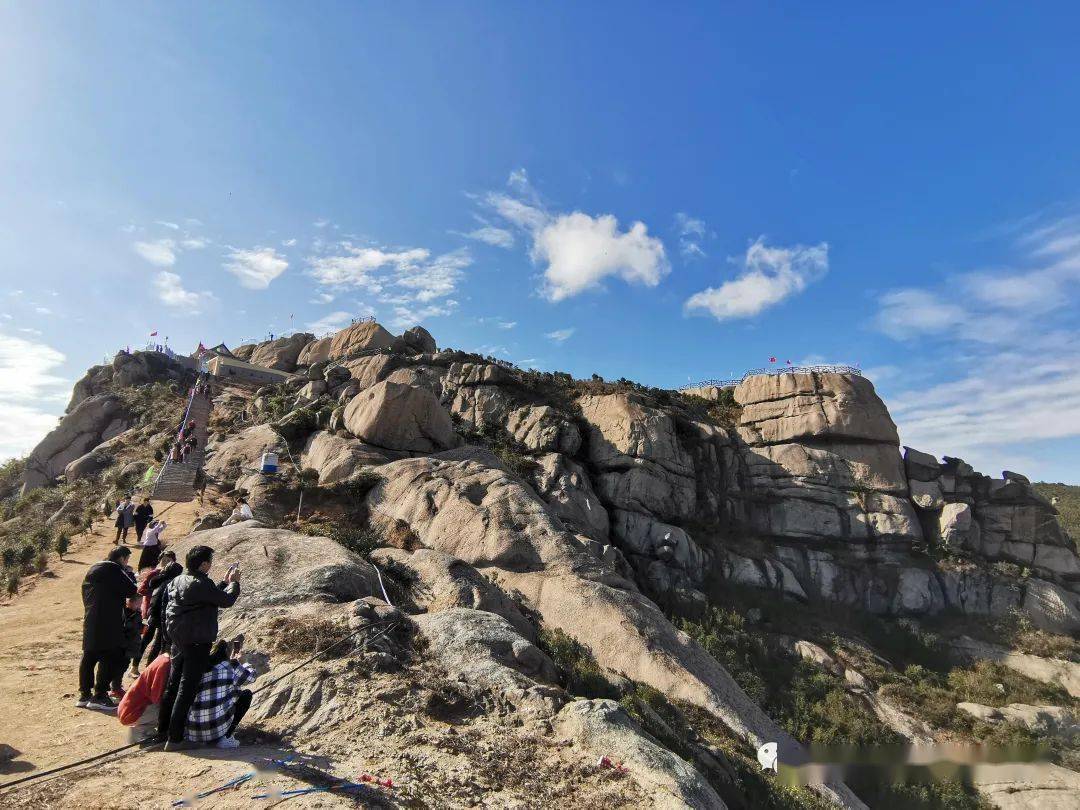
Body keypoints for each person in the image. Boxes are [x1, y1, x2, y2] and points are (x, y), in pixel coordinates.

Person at [157, 545, 241, 751]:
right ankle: (175, 739)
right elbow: (226, 600)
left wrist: (223, 583)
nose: (211, 565)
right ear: (204, 564)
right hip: (197, 641)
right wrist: (235, 584)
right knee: (187, 688)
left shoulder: (179, 580)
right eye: (209, 561)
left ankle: (163, 731)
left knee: (174, 685)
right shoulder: (200, 583)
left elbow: (207, 594)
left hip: (179, 640)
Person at [78, 546, 138, 711]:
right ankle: (100, 695)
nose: (126, 563)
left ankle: (84, 695)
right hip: (109, 622)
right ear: (121, 558)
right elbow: (131, 589)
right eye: (126, 560)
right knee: (109, 656)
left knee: (89, 656)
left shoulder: (93, 569)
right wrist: (128, 573)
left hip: (91, 619)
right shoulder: (114, 569)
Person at [185, 637, 255, 749]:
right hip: (216, 731)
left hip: (193, 732)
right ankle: (226, 737)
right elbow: (250, 678)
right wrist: (243, 662)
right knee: (246, 695)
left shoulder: (201, 667)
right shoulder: (230, 667)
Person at [139, 554, 183, 667]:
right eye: (165, 559)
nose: (166, 562)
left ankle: (148, 666)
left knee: (154, 642)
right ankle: (148, 667)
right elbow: (142, 590)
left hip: (154, 613)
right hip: (157, 615)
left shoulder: (162, 579)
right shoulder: (165, 581)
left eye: (169, 560)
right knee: (154, 642)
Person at [112, 597, 144, 690]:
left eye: (140, 604)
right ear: (129, 602)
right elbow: (125, 627)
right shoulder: (124, 613)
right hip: (124, 646)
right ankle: (115, 687)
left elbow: (138, 626)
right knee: (120, 666)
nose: (139, 606)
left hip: (132, 645)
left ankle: (117, 685)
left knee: (125, 664)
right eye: (137, 604)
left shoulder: (137, 613)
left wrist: (142, 627)